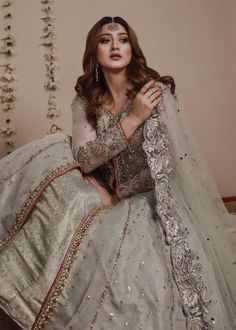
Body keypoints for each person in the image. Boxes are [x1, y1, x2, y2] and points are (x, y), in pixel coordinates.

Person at [0, 16, 236, 330]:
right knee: (56, 150)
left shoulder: (155, 93)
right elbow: (85, 159)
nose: (115, 45)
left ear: (132, 48)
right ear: (93, 51)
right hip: (115, 201)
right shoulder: (85, 101)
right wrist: (132, 121)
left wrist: (122, 186)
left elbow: (171, 165)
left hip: (156, 200)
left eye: (123, 39)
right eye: (105, 39)